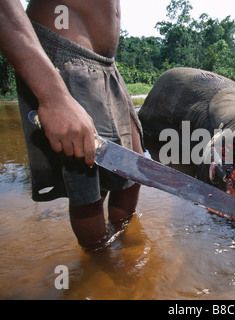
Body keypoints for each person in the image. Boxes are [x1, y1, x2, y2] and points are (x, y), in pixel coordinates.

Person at [0, 0, 145, 251]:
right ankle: (100, 268)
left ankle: (124, 259)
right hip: (65, 55)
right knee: (89, 186)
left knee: (134, 169)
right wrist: (53, 95)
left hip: (106, 64)